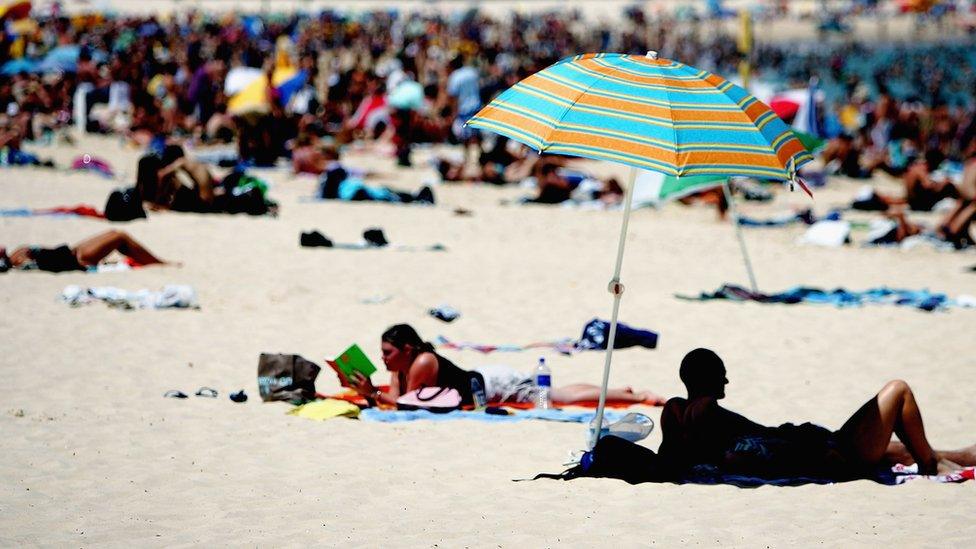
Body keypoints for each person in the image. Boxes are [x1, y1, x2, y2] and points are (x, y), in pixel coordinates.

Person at [659, 348, 976, 479]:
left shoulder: (678, 412)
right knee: (897, 391)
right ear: (705, 380)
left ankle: (962, 455)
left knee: (899, 451)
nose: (726, 381)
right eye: (721, 375)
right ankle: (932, 464)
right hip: (832, 453)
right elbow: (699, 417)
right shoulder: (701, 412)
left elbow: (669, 451)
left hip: (822, 445)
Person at [345, 324, 663, 407]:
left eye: (388, 352)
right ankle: (621, 390)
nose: (383, 357)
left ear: (407, 349)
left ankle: (638, 397)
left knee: (557, 397)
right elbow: (398, 395)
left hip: (495, 385)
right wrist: (379, 384)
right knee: (556, 393)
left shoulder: (424, 361)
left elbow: (404, 403)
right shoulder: (404, 364)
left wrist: (371, 393)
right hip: (488, 380)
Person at [0, 230, 173, 273]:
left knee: (116, 234)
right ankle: (159, 263)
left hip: (74, 251)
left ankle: (157, 262)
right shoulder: (19, 262)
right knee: (120, 236)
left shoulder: (17, 254)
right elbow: (46, 265)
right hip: (79, 259)